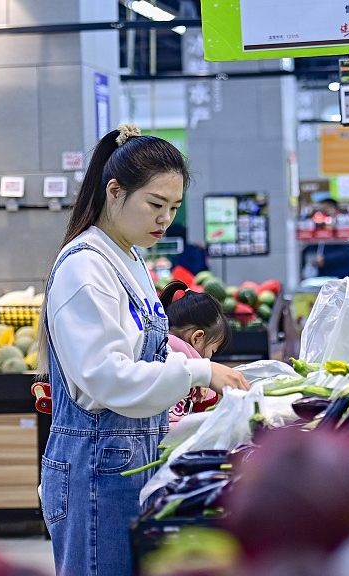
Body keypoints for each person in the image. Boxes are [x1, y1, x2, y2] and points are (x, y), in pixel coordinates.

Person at [39, 124, 250, 576]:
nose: (164, 220)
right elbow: (107, 377)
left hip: (128, 459)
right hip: (98, 467)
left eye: (173, 208)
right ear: (115, 192)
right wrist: (197, 373)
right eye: (155, 205)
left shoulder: (127, 257)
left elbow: (143, 356)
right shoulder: (85, 268)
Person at [158, 279, 232, 422]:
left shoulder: (159, 347)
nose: (210, 357)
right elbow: (207, 400)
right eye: (212, 351)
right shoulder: (182, 359)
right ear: (197, 338)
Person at [301, 199, 349, 279]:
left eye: (327, 210)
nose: (325, 214)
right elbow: (310, 249)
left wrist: (325, 259)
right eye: (322, 211)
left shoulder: (343, 227)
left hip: (341, 276)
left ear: (336, 210)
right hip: (322, 277)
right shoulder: (319, 228)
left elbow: (347, 252)